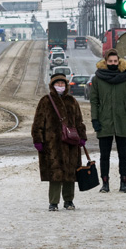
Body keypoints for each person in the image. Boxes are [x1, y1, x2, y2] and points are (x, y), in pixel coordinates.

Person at [31, 73, 87, 210]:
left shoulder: (72, 101)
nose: (60, 86)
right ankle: (53, 202)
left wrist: (82, 136)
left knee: (70, 173)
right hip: (52, 145)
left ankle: (69, 200)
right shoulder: (45, 101)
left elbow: (79, 121)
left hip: (71, 143)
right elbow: (38, 122)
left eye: (62, 84)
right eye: (57, 84)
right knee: (55, 174)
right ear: (52, 86)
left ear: (66, 85)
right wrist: (38, 140)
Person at [89, 48, 126, 193]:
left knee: (123, 155)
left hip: (122, 121)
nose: (113, 63)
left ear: (119, 61)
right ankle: (105, 183)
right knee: (104, 155)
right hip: (104, 122)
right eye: (110, 61)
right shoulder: (97, 79)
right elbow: (94, 101)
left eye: (115, 61)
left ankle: (123, 183)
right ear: (106, 62)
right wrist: (95, 119)